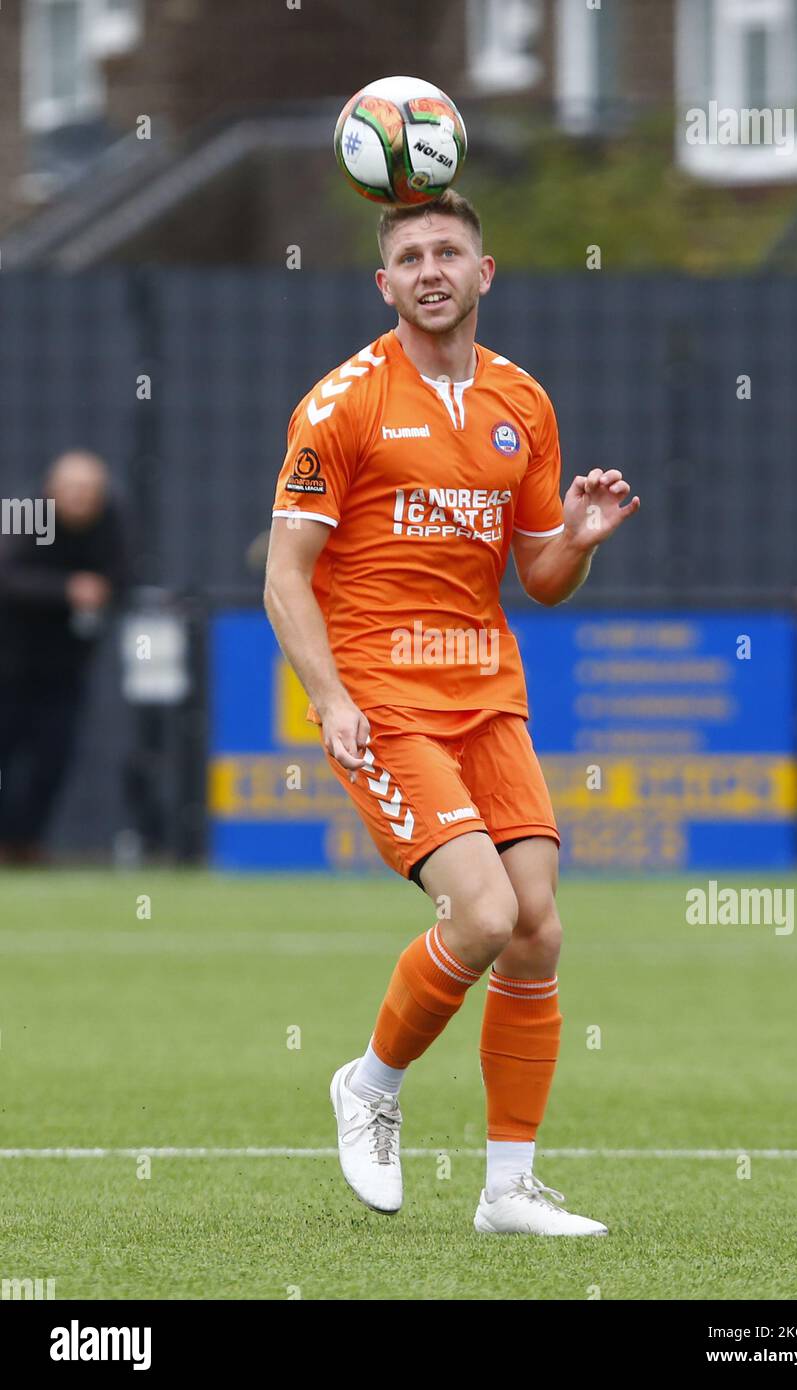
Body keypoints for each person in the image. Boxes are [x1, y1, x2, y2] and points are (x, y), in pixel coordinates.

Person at [265, 190, 640, 1236]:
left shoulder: (524, 401)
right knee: (481, 914)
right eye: (411, 256)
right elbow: (286, 580)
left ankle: (508, 1190)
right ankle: (370, 1085)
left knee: (536, 934)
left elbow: (541, 576)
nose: (432, 268)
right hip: (386, 696)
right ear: (385, 286)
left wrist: (582, 537)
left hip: (489, 696)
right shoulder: (340, 405)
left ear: (485, 274)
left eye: (450, 251)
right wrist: (328, 696)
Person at [0, 450, 126, 864]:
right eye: (72, 489)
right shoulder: (26, 514)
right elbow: (9, 578)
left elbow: (123, 577)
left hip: (65, 669)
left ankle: (25, 844)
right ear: (51, 489)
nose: (80, 499)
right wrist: (66, 590)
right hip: (11, 665)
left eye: (90, 491)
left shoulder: (107, 524)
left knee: (54, 759)